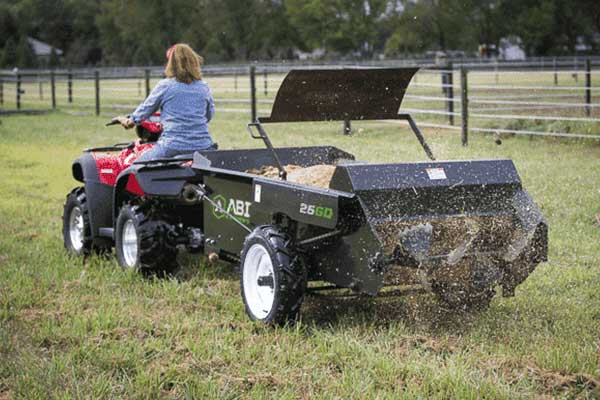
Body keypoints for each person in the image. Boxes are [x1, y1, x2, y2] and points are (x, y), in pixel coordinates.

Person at [116, 44, 215, 161]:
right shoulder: (203, 87)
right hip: (204, 146)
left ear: (171, 64)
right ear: (194, 62)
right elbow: (208, 115)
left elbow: (146, 108)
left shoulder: (165, 85)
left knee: (136, 165)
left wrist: (129, 121)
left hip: (172, 146)